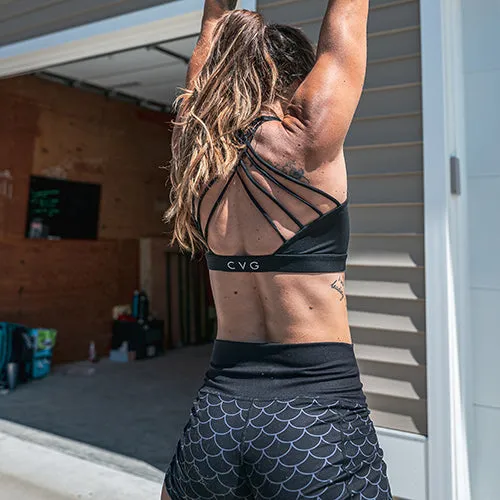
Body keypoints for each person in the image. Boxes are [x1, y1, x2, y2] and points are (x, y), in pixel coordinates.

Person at [162, 0, 392, 498]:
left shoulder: (198, 154)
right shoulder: (307, 138)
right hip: (314, 418)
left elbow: (210, 39)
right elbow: (346, 22)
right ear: (294, 82)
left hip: (217, 418)